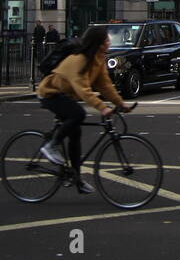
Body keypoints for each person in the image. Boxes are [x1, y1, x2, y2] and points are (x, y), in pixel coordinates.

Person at [35, 25, 131, 193]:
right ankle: (51, 145)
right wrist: (102, 108)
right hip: (50, 93)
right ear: (99, 43)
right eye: (107, 39)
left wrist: (120, 103)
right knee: (78, 114)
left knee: (76, 134)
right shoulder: (78, 59)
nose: (109, 42)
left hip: (66, 96)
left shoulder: (97, 59)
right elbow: (82, 89)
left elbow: (105, 85)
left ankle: (76, 179)